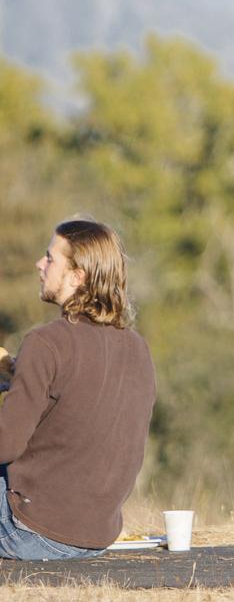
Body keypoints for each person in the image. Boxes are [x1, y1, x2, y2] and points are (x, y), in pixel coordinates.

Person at [0, 218, 156, 560]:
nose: (39, 265)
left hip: (29, 530)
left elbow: (5, 445)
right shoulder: (137, 348)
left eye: (50, 258)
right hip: (95, 536)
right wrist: (16, 377)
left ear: (77, 276)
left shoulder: (45, 343)